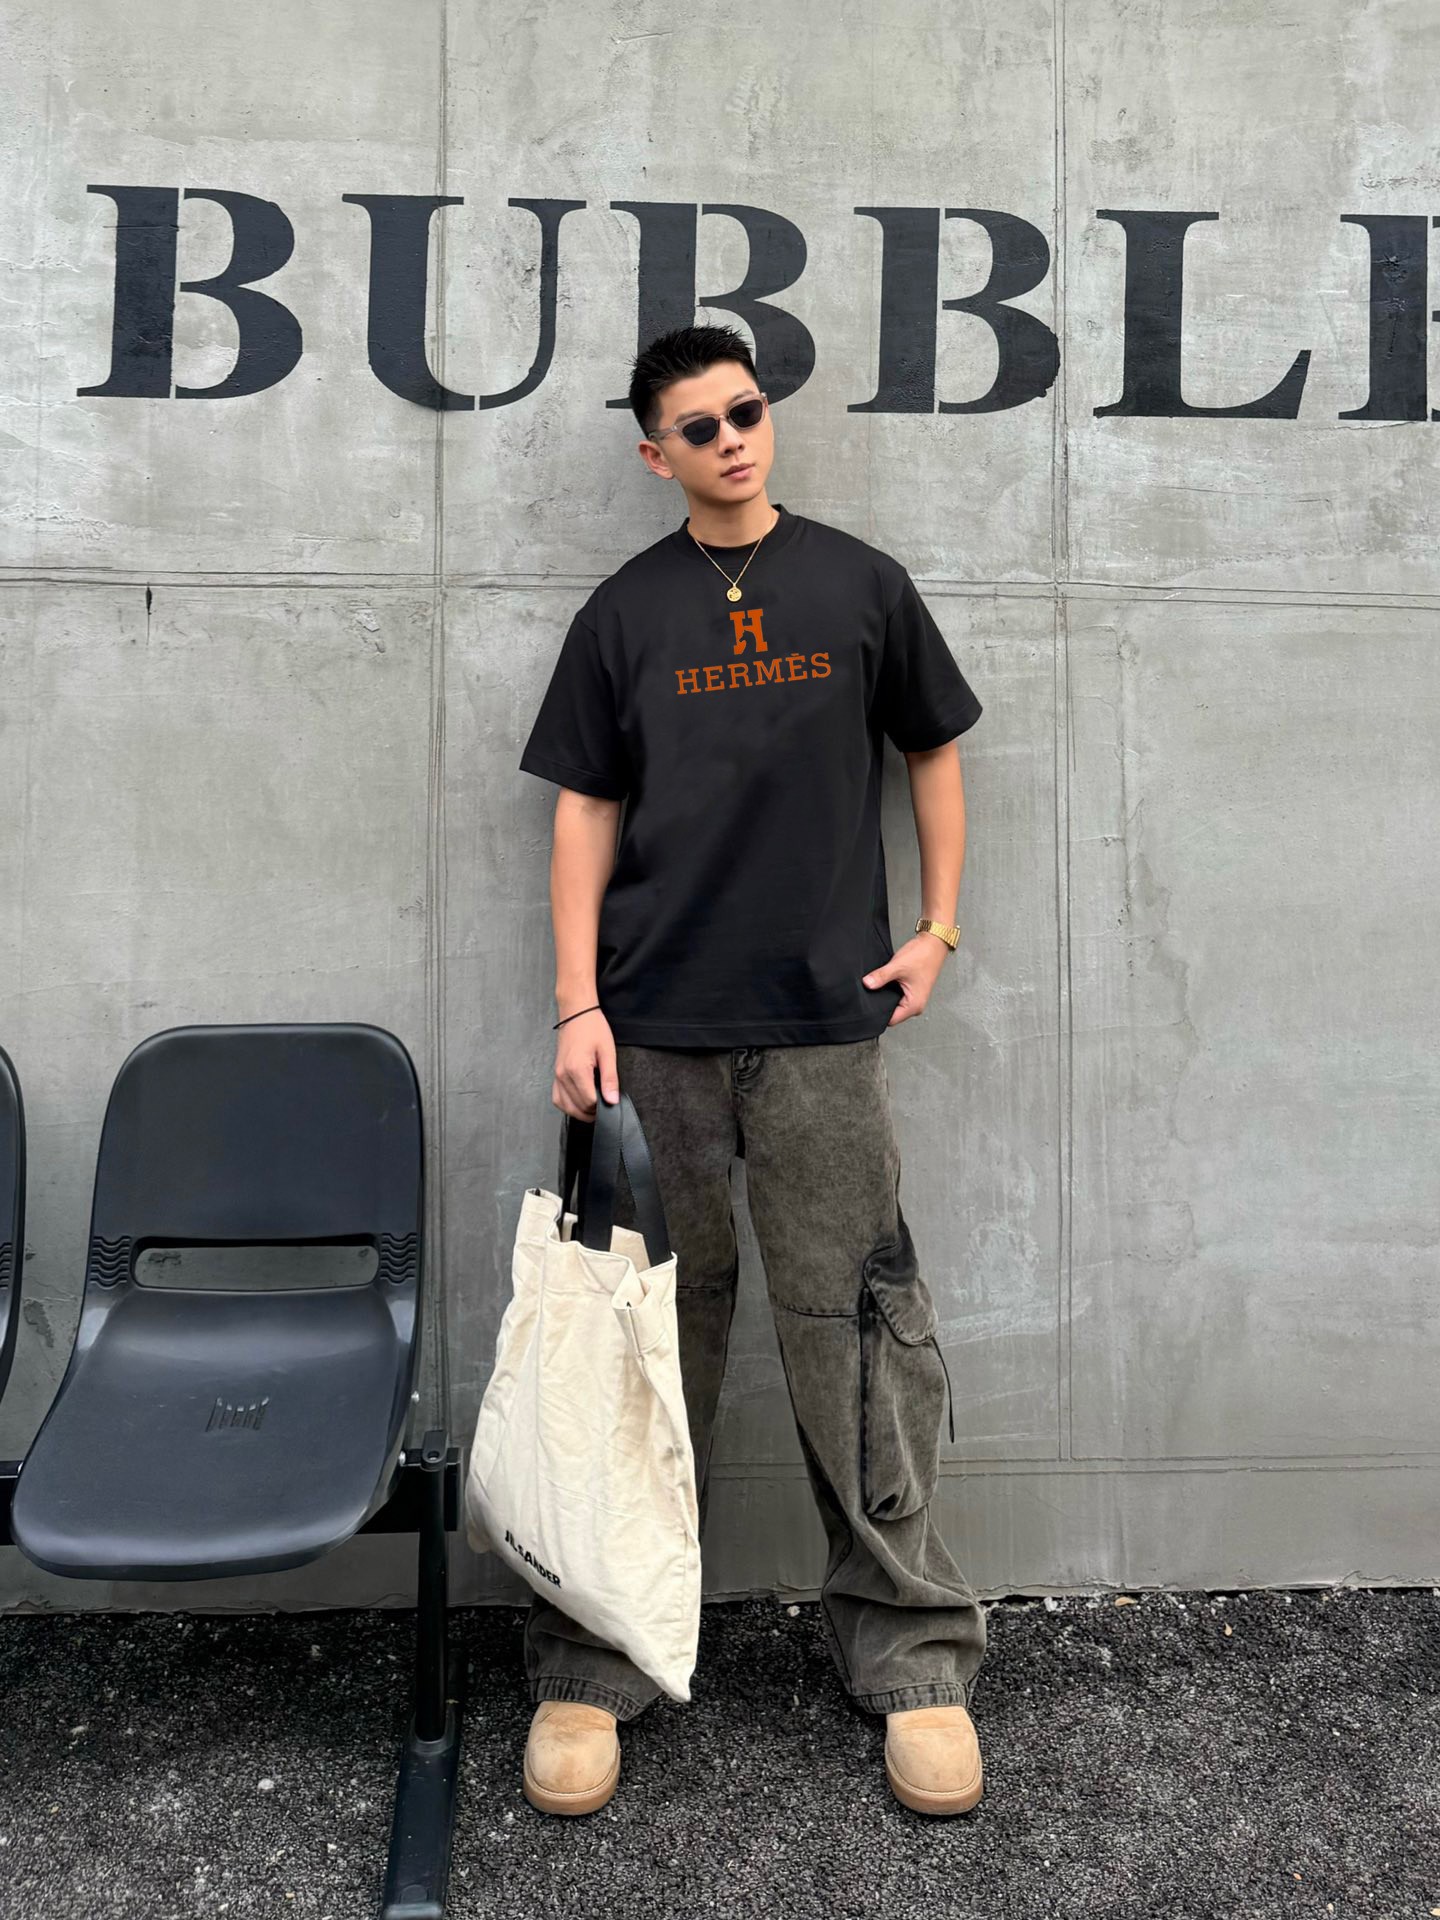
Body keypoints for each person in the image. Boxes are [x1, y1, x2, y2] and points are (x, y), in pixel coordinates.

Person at [514, 323, 986, 1818]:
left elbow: (933, 751)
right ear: (655, 454)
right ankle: (597, 1659)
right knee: (643, 1339)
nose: (732, 439)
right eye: (699, 427)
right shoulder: (625, 612)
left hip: (825, 1026)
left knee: (860, 1331)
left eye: (747, 411)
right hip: (652, 1026)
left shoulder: (860, 584)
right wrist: (576, 1007)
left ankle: (910, 1654)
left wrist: (938, 929)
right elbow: (585, 811)